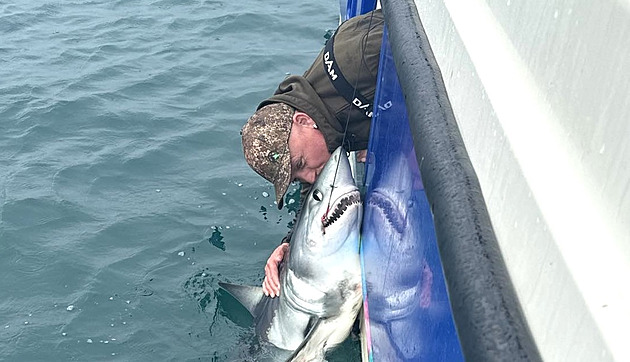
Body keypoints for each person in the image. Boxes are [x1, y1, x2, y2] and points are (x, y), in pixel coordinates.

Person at [241, 9, 384, 297]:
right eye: (297, 176)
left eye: (302, 163)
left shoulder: (360, 60)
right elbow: (314, 192)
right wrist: (291, 246)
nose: (310, 176)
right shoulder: (314, 115)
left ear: (303, 121)